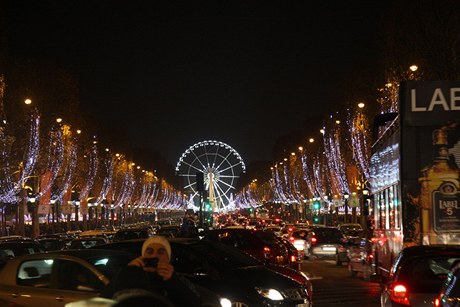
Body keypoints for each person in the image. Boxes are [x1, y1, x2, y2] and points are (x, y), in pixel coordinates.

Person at [101, 236, 201, 307]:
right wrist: (129, 272)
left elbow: (194, 303)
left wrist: (172, 281)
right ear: (142, 256)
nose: (154, 256)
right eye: (149, 252)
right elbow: (105, 301)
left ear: (169, 258)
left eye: (160, 252)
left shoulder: (179, 280)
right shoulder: (133, 279)